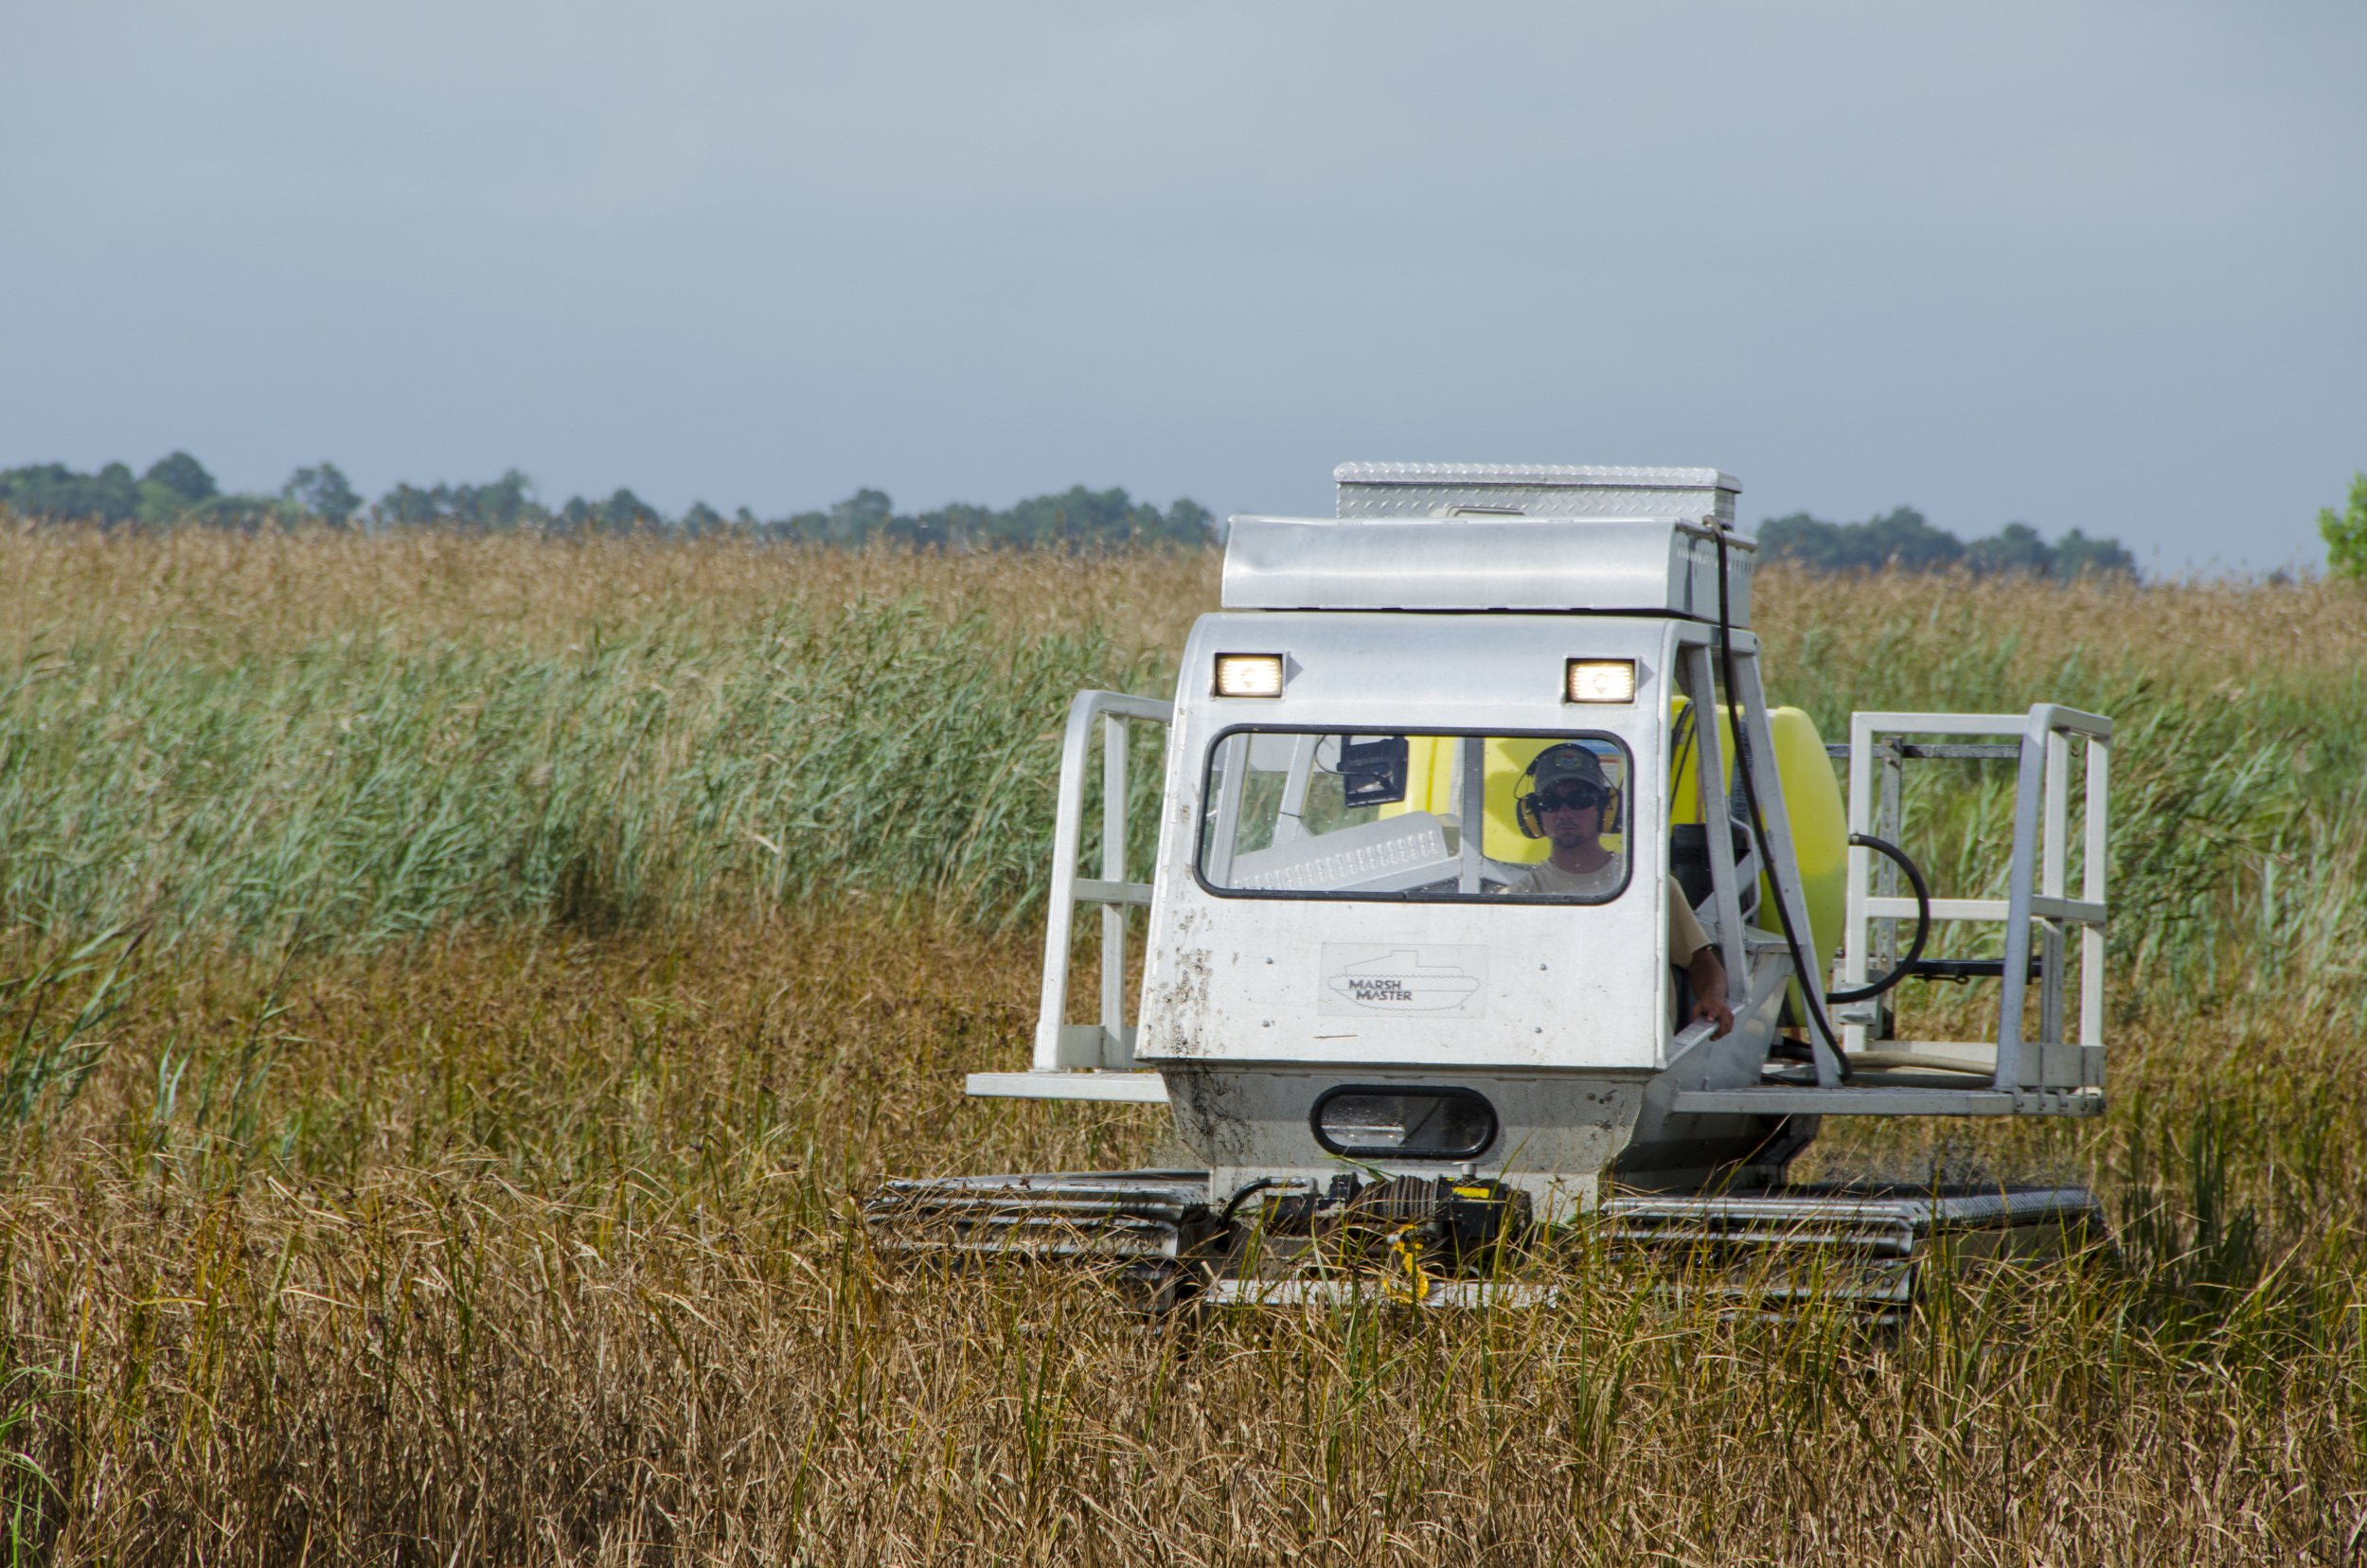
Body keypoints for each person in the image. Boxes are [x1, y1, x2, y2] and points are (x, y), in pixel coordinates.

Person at [1499, 744, 1735, 1039]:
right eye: (1550, 801)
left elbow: (1701, 962)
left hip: (1638, 1045)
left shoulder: (1652, 887)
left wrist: (1713, 998)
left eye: (1579, 798)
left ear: (1605, 809)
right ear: (1534, 813)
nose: (1564, 811)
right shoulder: (1516, 899)